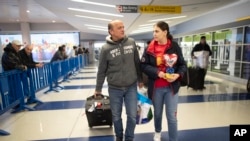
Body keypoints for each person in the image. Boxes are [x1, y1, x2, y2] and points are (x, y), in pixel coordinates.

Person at [95, 19, 143, 141]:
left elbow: (137, 63)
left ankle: (129, 138)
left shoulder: (131, 42)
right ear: (111, 31)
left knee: (132, 116)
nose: (123, 29)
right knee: (116, 116)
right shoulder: (105, 49)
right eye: (119, 28)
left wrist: (140, 79)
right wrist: (98, 89)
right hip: (114, 87)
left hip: (131, 86)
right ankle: (119, 136)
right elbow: (102, 70)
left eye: (123, 27)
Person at [140, 21, 187, 141]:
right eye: (153, 31)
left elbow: (182, 64)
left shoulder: (174, 46)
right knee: (157, 114)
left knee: (171, 116)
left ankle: (173, 139)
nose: (154, 34)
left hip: (172, 87)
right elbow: (143, 65)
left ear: (165, 32)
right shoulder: (150, 48)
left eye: (157, 31)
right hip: (156, 87)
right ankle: (157, 132)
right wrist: (158, 72)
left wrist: (178, 74)